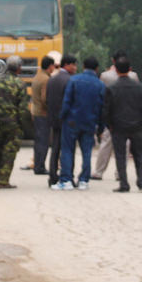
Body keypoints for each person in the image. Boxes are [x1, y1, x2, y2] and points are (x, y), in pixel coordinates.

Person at [51, 57, 106, 191]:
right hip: (89, 123)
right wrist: (100, 127)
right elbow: (101, 109)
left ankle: (66, 180)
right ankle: (83, 181)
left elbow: (67, 101)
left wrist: (62, 115)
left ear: (82, 66)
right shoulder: (100, 85)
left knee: (68, 151)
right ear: (97, 69)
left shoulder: (74, 80)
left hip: (71, 121)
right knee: (86, 152)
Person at [103, 57, 142, 192]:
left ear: (116, 70)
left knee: (120, 155)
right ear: (130, 70)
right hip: (136, 126)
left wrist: (109, 125)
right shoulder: (140, 87)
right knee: (139, 155)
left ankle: (124, 184)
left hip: (118, 127)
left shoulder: (111, 88)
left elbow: (106, 110)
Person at [91, 50, 139, 181]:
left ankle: (98, 171)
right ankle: (120, 173)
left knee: (106, 144)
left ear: (113, 61)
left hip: (112, 116)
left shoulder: (105, 76)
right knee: (125, 145)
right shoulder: (134, 76)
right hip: (129, 115)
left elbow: (102, 97)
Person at [0, 56, 29, 189]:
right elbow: (23, 109)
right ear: (19, 68)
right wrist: (23, 126)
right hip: (13, 125)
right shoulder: (21, 84)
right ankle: (3, 181)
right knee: (9, 153)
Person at [46, 54, 77, 186]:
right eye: (73, 65)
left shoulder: (52, 79)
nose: (75, 68)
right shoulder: (70, 80)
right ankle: (68, 176)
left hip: (54, 119)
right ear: (66, 65)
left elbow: (47, 100)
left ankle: (52, 177)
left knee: (55, 149)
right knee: (68, 150)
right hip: (67, 120)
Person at [31, 56, 55, 175]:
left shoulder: (37, 76)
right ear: (50, 66)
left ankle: (37, 164)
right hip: (43, 113)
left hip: (36, 112)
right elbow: (45, 98)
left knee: (38, 140)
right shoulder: (46, 79)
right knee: (43, 141)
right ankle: (40, 167)